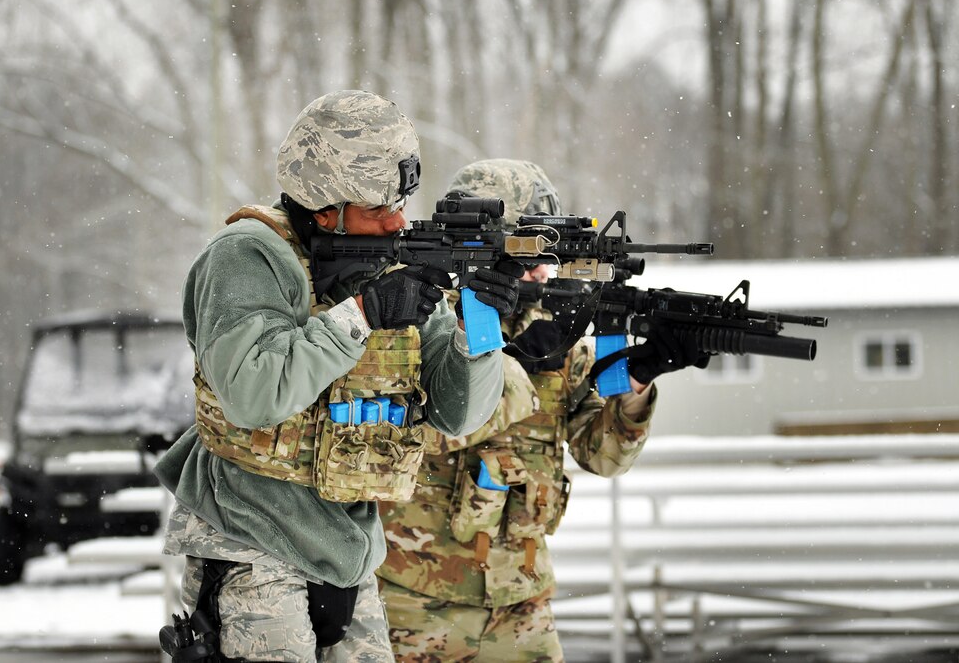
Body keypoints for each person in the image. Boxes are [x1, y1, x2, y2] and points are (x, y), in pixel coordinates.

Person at [154, 92, 523, 662]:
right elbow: (255, 393)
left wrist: (481, 325)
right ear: (326, 207)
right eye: (379, 208)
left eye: (400, 203)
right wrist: (364, 314)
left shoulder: (391, 262)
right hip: (248, 539)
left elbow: (460, 413)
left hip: (350, 549)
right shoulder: (247, 258)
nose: (398, 222)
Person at [376, 159, 709, 662]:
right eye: (525, 253)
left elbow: (603, 456)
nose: (539, 271)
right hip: (415, 602)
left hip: (521, 603)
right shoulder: (418, 318)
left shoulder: (552, 326)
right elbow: (412, 436)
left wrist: (640, 376)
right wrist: (522, 370)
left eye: (547, 254)